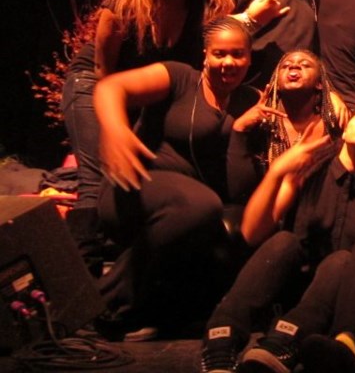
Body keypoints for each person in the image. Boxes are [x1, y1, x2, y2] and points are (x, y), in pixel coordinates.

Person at [61, 0, 234, 271]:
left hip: (143, 91)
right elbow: (102, 67)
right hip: (94, 82)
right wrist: (114, 122)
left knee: (140, 172)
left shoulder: (206, 8)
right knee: (96, 176)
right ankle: (80, 277)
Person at [94, 17, 267, 338]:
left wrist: (241, 131)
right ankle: (103, 301)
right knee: (200, 206)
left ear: (249, 57)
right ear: (205, 55)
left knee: (227, 219)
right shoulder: (178, 78)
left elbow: (238, 188)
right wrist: (115, 130)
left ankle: (157, 313)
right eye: (220, 53)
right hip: (135, 186)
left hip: (191, 211)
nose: (228, 62)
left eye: (238, 54)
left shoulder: (248, 101)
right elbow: (110, 87)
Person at [200, 103, 355, 373]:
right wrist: (278, 171)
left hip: (333, 306)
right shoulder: (309, 168)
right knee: (285, 241)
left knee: (341, 260)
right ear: (347, 126)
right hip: (289, 287)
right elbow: (252, 232)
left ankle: (283, 343)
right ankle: (220, 340)